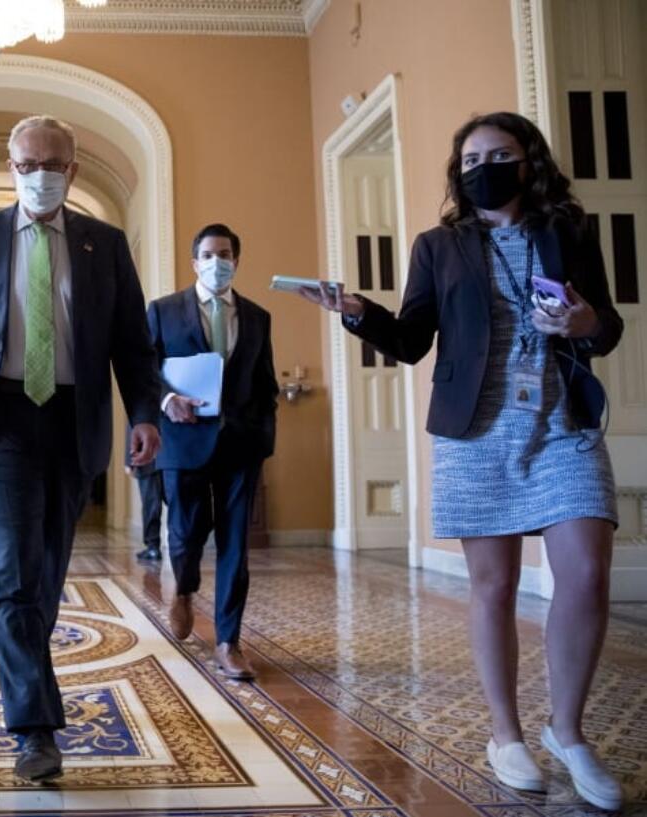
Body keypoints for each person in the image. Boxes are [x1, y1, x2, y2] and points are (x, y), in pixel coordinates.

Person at [299, 112, 623, 812]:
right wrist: (358, 310)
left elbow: (608, 325)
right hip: (475, 428)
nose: (483, 166)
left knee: (589, 574)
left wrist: (585, 322)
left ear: (528, 161)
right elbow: (414, 340)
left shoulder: (566, 231)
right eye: (471, 156)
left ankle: (567, 730)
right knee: (495, 584)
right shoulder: (438, 246)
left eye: (498, 154)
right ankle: (505, 733)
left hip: (560, 418)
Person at [0, 115, 161, 782]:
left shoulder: (103, 244)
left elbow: (132, 344)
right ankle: (34, 727)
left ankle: (30, 679)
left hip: (72, 421)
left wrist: (144, 413)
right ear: (11, 168)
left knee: (45, 569)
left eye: (53, 162)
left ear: (73, 171)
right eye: (28, 163)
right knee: (15, 571)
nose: (40, 174)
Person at [149, 223, 277, 681]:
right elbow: (146, 369)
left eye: (224, 253)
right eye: (207, 253)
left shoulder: (258, 317)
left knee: (235, 545)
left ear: (236, 260)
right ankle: (183, 589)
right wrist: (167, 400)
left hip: (241, 444)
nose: (216, 261)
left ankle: (229, 641)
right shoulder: (163, 311)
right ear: (194, 261)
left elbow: (266, 381)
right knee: (184, 534)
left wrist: (264, 436)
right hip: (183, 440)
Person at [125, 427, 164, 561]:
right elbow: (133, 427)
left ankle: (153, 546)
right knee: (151, 505)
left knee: (152, 505)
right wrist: (129, 460)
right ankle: (153, 546)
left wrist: (128, 462)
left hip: (165, 458)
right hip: (147, 460)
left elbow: (131, 426)